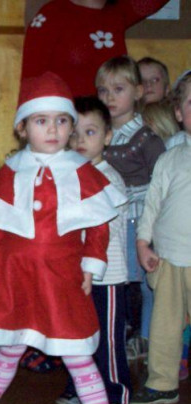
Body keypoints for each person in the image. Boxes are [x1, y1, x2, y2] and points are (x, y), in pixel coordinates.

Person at [0, 72, 140, 404]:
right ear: (23, 127)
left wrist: (91, 264)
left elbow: (98, 225)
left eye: (61, 120)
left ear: (70, 126)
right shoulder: (10, 171)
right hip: (15, 274)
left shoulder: (84, 171)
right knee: (10, 345)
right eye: (41, 120)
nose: (52, 129)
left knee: (78, 355)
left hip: (60, 278)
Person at [56, 96, 131, 404]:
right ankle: (80, 384)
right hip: (76, 273)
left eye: (91, 132)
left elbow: (107, 228)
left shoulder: (108, 178)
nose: (81, 141)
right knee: (79, 333)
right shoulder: (69, 174)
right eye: (76, 133)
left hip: (108, 274)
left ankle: (116, 390)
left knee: (109, 338)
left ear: (108, 136)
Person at [96, 55, 166, 360]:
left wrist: (154, 228)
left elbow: (161, 182)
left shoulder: (145, 139)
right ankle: (115, 332)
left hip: (137, 221)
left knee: (143, 283)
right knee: (112, 279)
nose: (109, 97)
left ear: (138, 92)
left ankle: (145, 336)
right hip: (107, 219)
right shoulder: (98, 133)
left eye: (118, 89)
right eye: (103, 91)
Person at [131, 71, 191, 404]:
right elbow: (152, 204)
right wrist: (142, 243)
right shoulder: (170, 159)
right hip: (167, 257)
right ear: (179, 114)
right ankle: (162, 382)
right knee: (165, 325)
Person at [22, 0, 168, 97]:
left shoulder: (117, 13)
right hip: (65, 129)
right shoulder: (52, 14)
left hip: (108, 129)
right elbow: (30, 81)